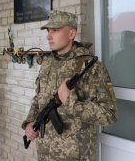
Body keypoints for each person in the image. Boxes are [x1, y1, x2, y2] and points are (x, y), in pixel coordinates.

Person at [22, 10, 117, 161]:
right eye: (48, 30)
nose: (48, 36)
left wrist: (71, 102)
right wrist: (30, 122)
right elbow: (39, 97)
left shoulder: (91, 67)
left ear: (71, 33)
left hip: (74, 156)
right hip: (45, 153)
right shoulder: (47, 63)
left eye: (55, 30)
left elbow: (109, 114)